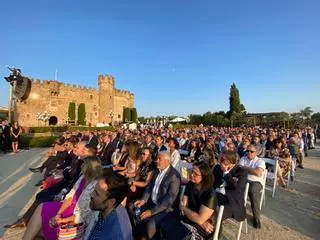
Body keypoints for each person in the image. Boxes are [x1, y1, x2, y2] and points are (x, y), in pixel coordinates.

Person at [22, 156, 102, 240]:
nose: (81, 166)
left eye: (84, 165)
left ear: (90, 167)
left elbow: (83, 215)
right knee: (43, 206)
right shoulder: (82, 178)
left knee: (43, 217)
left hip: (76, 214)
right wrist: (58, 213)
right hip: (70, 207)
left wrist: (62, 220)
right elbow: (69, 197)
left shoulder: (94, 185)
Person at [162, 162, 217, 239]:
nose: (191, 175)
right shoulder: (190, 184)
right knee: (164, 224)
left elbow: (185, 209)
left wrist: (185, 209)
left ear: (204, 177)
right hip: (190, 221)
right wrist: (199, 221)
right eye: (191, 171)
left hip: (203, 230)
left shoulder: (210, 194)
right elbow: (184, 207)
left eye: (196, 174)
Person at [133, 152, 181, 239]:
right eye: (157, 159)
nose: (156, 161)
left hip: (166, 209)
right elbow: (150, 187)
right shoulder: (156, 171)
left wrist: (151, 212)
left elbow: (168, 200)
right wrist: (143, 200)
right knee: (134, 207)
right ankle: (140, 235)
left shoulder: (174, 176)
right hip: (152, 202)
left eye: (159, 159)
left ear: (167, 161)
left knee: (151, 224)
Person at [84, 170, 132, 240]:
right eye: (94, 190)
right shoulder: (105, 209)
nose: (91, 194)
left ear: (111, 201)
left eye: (97, 194)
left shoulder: (115, 235)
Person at [239, 145, 266, 228]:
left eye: (251, 151)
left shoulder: (260, 161)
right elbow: (239, 169)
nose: (249, 153)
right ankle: (237, 210)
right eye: (248, 151)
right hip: (244, 180)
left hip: (256, 182)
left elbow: (258, 173)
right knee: (234, 188)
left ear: (256, 152)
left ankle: (256, 218)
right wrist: (251, 170)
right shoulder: (243, 158)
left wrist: (245, 168)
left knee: (253, 191)